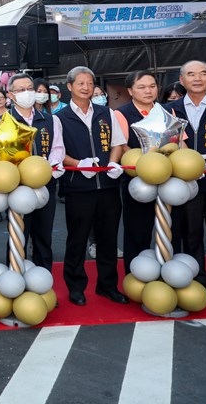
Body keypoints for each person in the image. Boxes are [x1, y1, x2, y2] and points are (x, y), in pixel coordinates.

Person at [56, 66, 128, 306]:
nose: (86, 88)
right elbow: (57, 153)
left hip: (107, 186)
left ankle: (107, 286)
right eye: (81, 83)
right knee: (77, 238)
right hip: (79, 188)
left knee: (108, 238)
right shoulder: (60, 117)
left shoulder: (106, 112)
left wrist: (113, 163)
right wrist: (79, 164)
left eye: (90, 83)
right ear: (70, 87)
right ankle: (76, 287)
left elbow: (118, 142)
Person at [165, 61, 206, 301]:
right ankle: (196, 278)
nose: (197, 78)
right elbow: (164, 144)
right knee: (189, 233)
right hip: (185, 185)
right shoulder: (169, 110)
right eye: (190, 74)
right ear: (182, 80)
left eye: (203, 73)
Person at [6, 73, 65, 270]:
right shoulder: (5, 122)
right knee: (18, 235)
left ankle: (43, 282)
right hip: (17, 187)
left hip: (45, 185)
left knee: (43, 236)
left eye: (30, 88)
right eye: (21, 90)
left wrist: (50, 167)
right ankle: (14, 280)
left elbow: (58, 148)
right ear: (12, 95)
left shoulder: (50, 120)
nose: (27, 93)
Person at [113, 71, 169, 270]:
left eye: (152, 86)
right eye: (142, 87)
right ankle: (135, 274)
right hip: (137, 180)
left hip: (167, 178)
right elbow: (122, 147)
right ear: (130, 91)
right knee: (138, 230)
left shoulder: (166, 111)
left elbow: (180, 142)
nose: (148, 91)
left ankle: (167, 271)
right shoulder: (121, 113)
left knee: (168, 228)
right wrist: (148, 164)